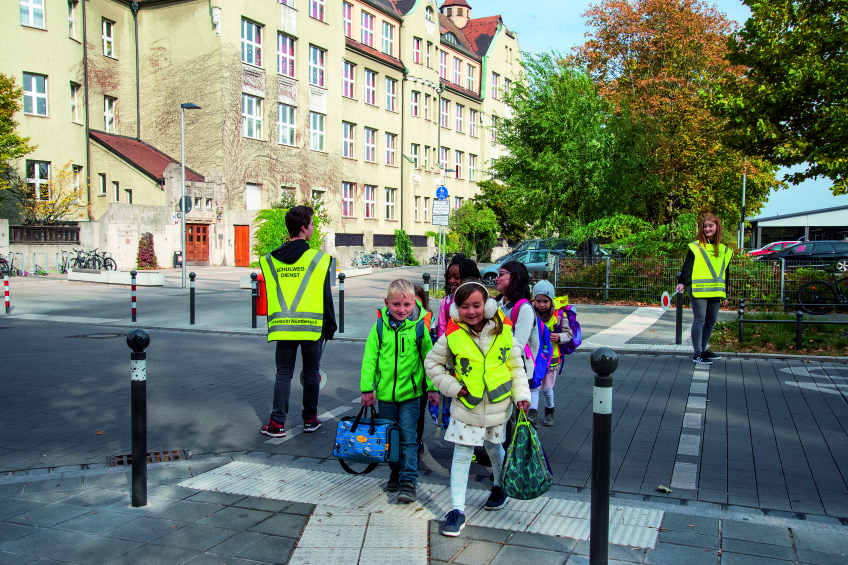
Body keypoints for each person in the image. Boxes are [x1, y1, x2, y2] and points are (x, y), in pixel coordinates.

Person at [425, 280, 530, 537]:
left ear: (488, 304)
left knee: (495, 448)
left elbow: (515, 367)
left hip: (498, 405)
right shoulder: (452, 335)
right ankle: (457, 511)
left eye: (476, 305)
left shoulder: (504, 331)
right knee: (461, 456)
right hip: (466, 407)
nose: (471, 312)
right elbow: (432, 364)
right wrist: (451, 386)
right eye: (464, 306)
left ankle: (500, 485)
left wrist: (522, 396)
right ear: (456, 309)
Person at [259, 206, 337, 438]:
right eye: (312, 224)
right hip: (312, 328)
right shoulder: (318, 259)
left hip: (283, 326)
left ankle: (277, 423)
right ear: (303, 228)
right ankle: (310, 420)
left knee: (283, 374)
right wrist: (331, 327)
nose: (313, 228)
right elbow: (326, 297)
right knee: (311, 373)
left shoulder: (270, 260)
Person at [361, 279, 440, 504]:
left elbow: (430, 360)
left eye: (406, 305)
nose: (401, 310)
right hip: (385, 397)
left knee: (408, 438)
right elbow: (369, 360)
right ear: (386, 303)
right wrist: (367, 389)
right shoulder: (379, 327)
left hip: (411, 396)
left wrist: (432, 388)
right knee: (390, 438)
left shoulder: (419, 328)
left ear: (414, 303)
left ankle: (408, 481)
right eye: (396, 304)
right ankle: (395, 472)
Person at [676, 214, 732, 365]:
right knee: (699, 321)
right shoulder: (696, 247)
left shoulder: (724, 250)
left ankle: (704, 349)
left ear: (717, 227)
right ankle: (697, 353)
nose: (707, 229)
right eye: (705, 226)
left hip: (716, 291)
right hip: (698, 289)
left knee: (711, 322)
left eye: (710, 226)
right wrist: (681, 281)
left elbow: (725, 272)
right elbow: (687, 265)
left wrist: (726, 294)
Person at [494, 261, 540, 425]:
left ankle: (513, 451)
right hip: (499, 368)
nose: (496, 279)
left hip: (517, 371)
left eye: (501, 274)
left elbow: (518, 344)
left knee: (512, 421)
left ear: (515, 278)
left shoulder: (524, 308)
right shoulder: (497, 304)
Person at [531, 280, 573, 426]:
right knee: (534, 386)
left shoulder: (560, 315)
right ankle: (533, 415)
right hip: (535, 357)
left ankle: (550, 412)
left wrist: (559, 337)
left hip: (552, 359)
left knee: (547, 388)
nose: (541, 304)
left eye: (545, 301)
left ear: (551, 300)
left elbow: (569, 334)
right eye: (538, 301)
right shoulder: (529, 312)